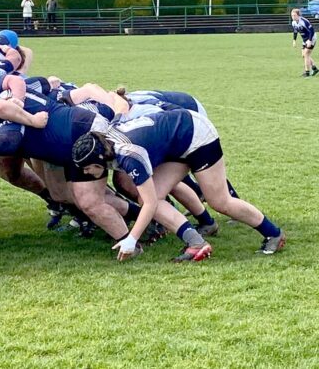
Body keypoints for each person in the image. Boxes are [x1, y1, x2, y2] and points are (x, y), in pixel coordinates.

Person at [72, 109, 286, 260]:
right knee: (152, 196)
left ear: (100, 158)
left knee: (220, 201)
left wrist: (132, 239)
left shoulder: (128, 155)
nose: (86, 173)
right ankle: (196, 242)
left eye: (87, 167)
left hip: (197, 136)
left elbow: (149, 205)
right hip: (178, 140)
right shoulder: (107, 144)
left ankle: (274, 234)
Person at [291, 8, 318, 78]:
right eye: (292, 15)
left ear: (298, 15)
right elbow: (295, 31)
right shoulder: (293, 22)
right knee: (304, 55)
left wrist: (309, 40)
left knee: (306, 54)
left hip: (312, 38)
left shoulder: (304, 21)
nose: (293, 17)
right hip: (305, 40)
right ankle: (315, 69)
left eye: (294, 15)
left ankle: (307, 73)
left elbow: (311, 31)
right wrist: (294, 40)